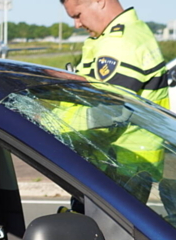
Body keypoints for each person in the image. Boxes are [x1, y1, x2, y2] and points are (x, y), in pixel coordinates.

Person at [60, 0, 167, 201]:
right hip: (124, 165)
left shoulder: (120, 44)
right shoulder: (129, 33)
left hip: (121, 166)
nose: (77, 25)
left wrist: (50, 124)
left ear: (99, 1)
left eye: (77, 15)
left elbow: (108, 114)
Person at [61, 0, 168, 109]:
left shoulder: (119, 42)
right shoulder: (135, 30)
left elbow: (107, 112)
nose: (77, 25)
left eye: (78, 15)